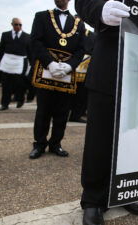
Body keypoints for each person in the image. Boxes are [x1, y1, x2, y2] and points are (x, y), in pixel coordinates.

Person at [75, 0, 138, 224]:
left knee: (135, 140)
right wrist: (100, 11)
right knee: (100, 139)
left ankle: (125, 191)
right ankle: (94, 200)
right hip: (112, 66)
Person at [29, 0, 85, 159]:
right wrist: (50, 63)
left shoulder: (78, 23)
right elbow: (35, 41)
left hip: (67, 73)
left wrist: (70, 66)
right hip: (47, 70)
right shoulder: (41, 17)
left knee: (62, 111)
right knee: (43, 110)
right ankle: (39, 144)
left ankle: (56, 143)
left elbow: (81, 50)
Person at [0, 18, 31, 110]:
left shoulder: (27, 36)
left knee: (19, 83)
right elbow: (0, 49)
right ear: (12, 24)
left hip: (20, 62)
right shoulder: (5, 35)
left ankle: (20, 99)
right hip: (7, 61)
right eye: (16, 24)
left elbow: (30, 51)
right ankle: (5, 104)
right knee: (6, 84)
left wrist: (31, 64)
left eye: (20, 25)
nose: (18, 26)